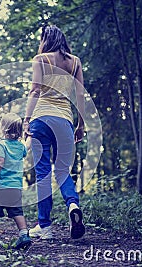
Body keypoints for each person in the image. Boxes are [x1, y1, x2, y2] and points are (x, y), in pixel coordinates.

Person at [23, 25, 86, 239]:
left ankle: (45, 227)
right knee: (62, 171)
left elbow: (35, 90)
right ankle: (73, 205)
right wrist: (81, 124)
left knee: (43, 173)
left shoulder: (40, 59)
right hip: (65, 120)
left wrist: (26, 120)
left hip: (41, 119)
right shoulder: (75, 62)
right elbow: (80, 94)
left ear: (45, 39)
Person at [0, 113, 32, 249]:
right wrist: (30, 135)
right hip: (15, 187)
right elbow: (28, 145)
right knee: (17, 212)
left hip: (0, 187)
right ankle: (24, 234)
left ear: (3, 128)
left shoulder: (1, 145)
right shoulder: (20, 146)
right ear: (18, 131)